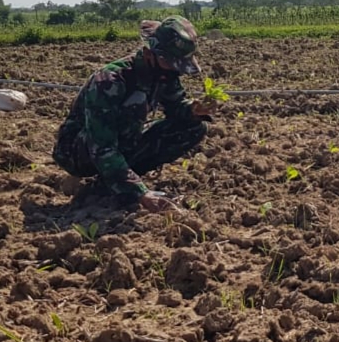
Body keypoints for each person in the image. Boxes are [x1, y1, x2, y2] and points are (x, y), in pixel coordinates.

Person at [53, 16, 217, 212]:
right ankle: (116, 182)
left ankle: (113, 181)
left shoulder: (164, 74)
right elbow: (101, 145)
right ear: (150, 54)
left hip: (123, 141)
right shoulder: (110, 81)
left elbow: (176, 106)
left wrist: (191, 110)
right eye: (171, 63)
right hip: (79, 150)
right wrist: (141, 193)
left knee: (193, 127)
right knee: (133, 108)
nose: (175, 70)